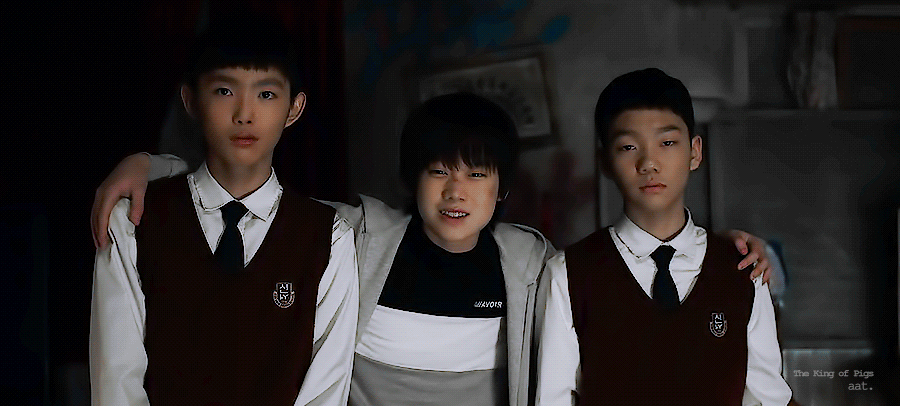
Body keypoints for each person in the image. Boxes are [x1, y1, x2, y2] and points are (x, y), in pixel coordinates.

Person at [91, 93, 773, 405]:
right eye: (439, 170)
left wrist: (727, 250)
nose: (456, 191)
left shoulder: (532, 265)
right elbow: (250, 197)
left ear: (502, 188)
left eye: (476, 174)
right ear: (411, 178)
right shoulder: (355, 238)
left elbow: (629, 266)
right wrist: (152, 165)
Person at [89, 15, 358, 405]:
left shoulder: (329, 237)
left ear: (294, 109)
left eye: (266, 94)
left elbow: (325, 392)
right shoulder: (135, 223)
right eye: (224, 91)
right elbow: (116, 381)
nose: (244, 113)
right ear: (191, 101)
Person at [535, 68, 792, 405]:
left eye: (667, 143)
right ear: (605, 162)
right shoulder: (569, 274)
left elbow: (768, 398)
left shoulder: (742, 268)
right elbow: (553, 399)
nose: (649, 162)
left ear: (694, 152)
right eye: (628, 146)